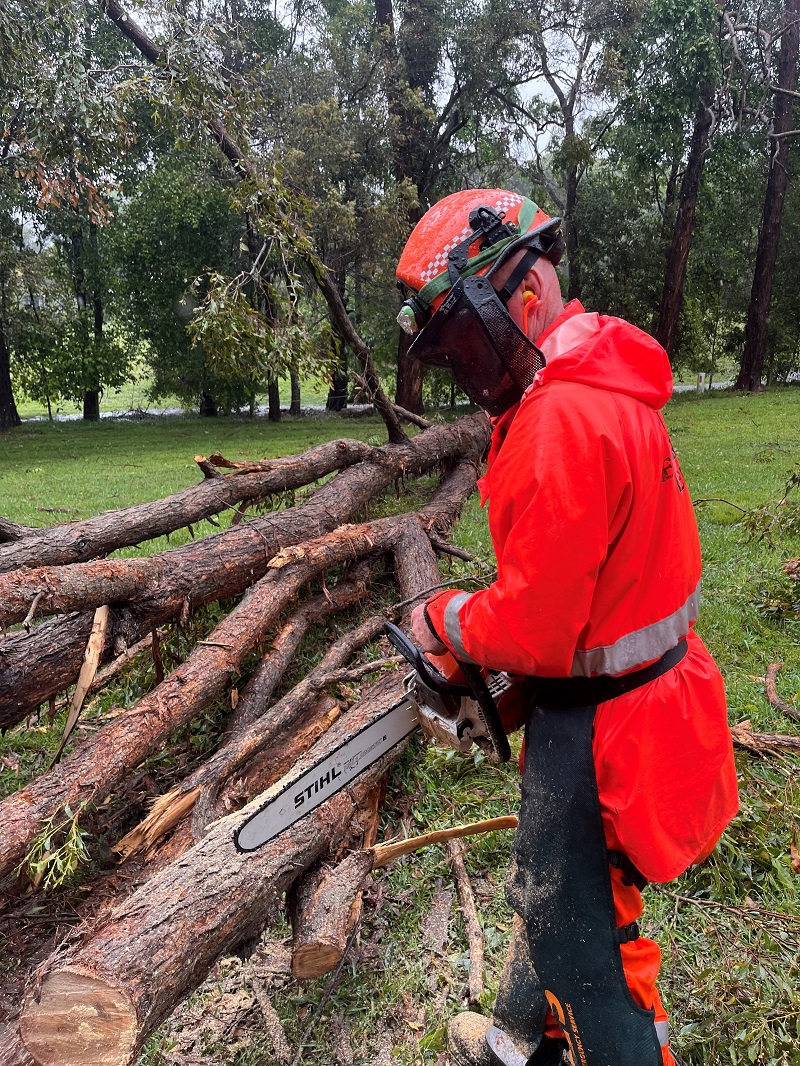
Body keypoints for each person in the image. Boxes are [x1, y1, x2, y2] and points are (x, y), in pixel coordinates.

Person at [395, 189, 739, 1066]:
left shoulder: (560, 418)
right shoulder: (602, 378)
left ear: (521, 300)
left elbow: (540, 632)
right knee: (560, 890)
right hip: (654, 691)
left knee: (583, 937)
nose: (467, 368)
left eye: (466, 342)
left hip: (602, 730)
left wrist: (446, 616)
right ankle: (525, 1039)